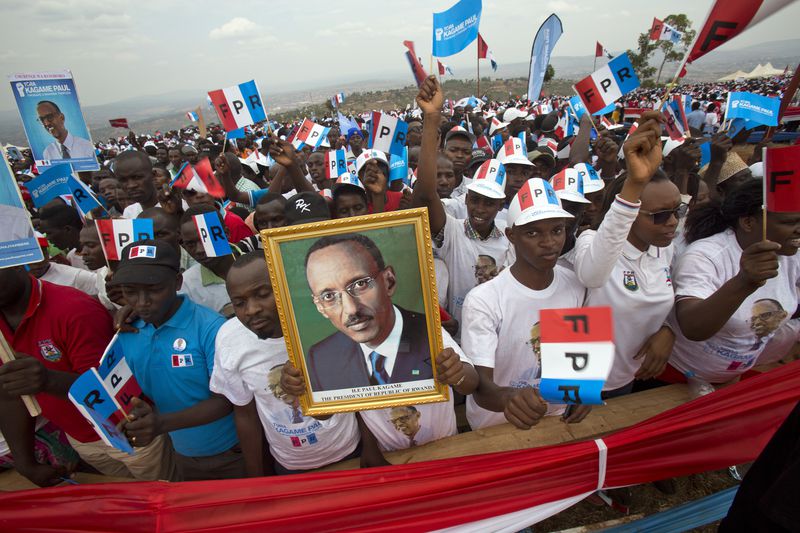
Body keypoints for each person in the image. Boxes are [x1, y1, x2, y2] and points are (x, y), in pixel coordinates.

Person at [0, 267, 174, 485]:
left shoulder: (74, 309)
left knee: (165, 494)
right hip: (82, 440)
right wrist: (25, 463)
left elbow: (108, 390)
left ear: (17, 262)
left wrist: (47, 381)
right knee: (129, 499)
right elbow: (9, 392)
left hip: (134, 434)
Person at [211, 252, 363, 475]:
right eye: (239, 302)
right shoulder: (229, 339)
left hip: (350, 451)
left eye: (262, 294)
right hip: (289, 465)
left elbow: (364, 391)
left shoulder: (328, 322)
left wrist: (371, 447)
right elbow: (245, 413)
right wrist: (257, 477)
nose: (251, 309)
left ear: (284, 287)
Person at [462, 178, 591, 430]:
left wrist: (583, 389)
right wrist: (509, 398)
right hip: (495, 426)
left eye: (557, 230)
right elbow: (481, 388)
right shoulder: (483, 300)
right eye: (533, 232)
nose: (549, 242)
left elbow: (577, 353)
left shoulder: (575, 284)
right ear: (511, 235)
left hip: (555, 418)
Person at [111, 239, 243, 481]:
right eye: (130, 292)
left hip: (230, 454)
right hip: (180, 452)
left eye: (154, 289)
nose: (142, 302)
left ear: (178, 282)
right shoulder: (128, 331)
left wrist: (160, 424)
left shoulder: (211, 329)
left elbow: (226, 400)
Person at [573, 112, 681, 397]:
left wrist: (668, 330)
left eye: (677, 211)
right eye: (659, 216)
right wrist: (634, 183)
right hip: (587, 383)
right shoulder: (592, 242)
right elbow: (593, 277)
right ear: (631, 212)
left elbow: (674, 302)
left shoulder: (665, 249)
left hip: (634, 378)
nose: (672, 222)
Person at [664, 179, 800, 387]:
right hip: (676, 379)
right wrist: (744, 282)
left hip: (732, 379)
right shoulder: (705, 256)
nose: (798, 230)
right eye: (789, 223)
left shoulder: (792, 256)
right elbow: (693, 328)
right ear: (748, 222)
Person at [413, 76, 508, 333]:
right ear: (465, 198)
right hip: (460, 340)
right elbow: (424, 196)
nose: (480, 208)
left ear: (501, 205)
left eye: (489, 203)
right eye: (475, 200)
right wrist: (432, 119)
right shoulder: (453, 232)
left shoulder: (510, 240)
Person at [304, 233, 432, 391]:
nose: (351, 309)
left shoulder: (433, 333)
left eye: (360, 284)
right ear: (320, 307)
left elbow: (467, 384)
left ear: (389, 281)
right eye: (329, 296)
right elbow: (323, 413)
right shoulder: (321, 358)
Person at [179, 205, 238, 317]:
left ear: (226, 234)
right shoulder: (186, 286)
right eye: (190, 244)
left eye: (206, 239)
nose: (199, 250)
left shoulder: (261, 265)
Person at [37, 203, 87, 270]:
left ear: (67, 229)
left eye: (49, 233)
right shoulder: (71, 257)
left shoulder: (102, 252)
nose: (47, 238)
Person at [115, 151, 159, 219]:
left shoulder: (177, 208)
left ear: (153, 175)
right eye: (123, 180)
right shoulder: (129, 212)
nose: (131, 185)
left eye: (137, 177)